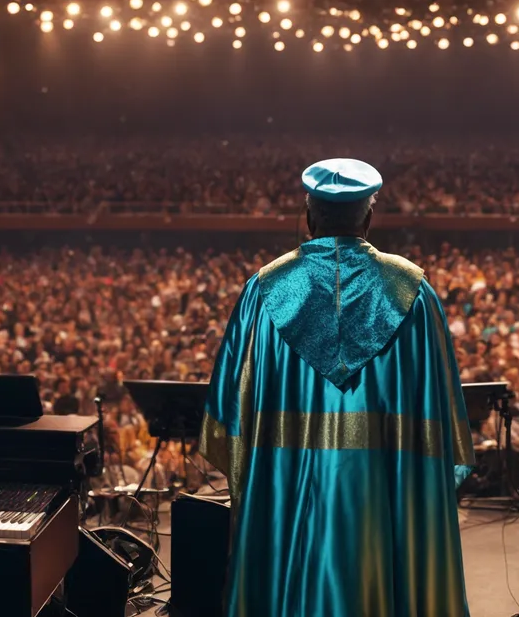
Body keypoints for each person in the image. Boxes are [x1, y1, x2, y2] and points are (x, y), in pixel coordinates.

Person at [199, 159, 475, 617]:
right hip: (383, 494)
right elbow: (439, 419)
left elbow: (230, 414)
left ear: (309, 216)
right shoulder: (413, 292)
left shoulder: (263, 291)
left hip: (290, 490)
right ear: (369, 217)